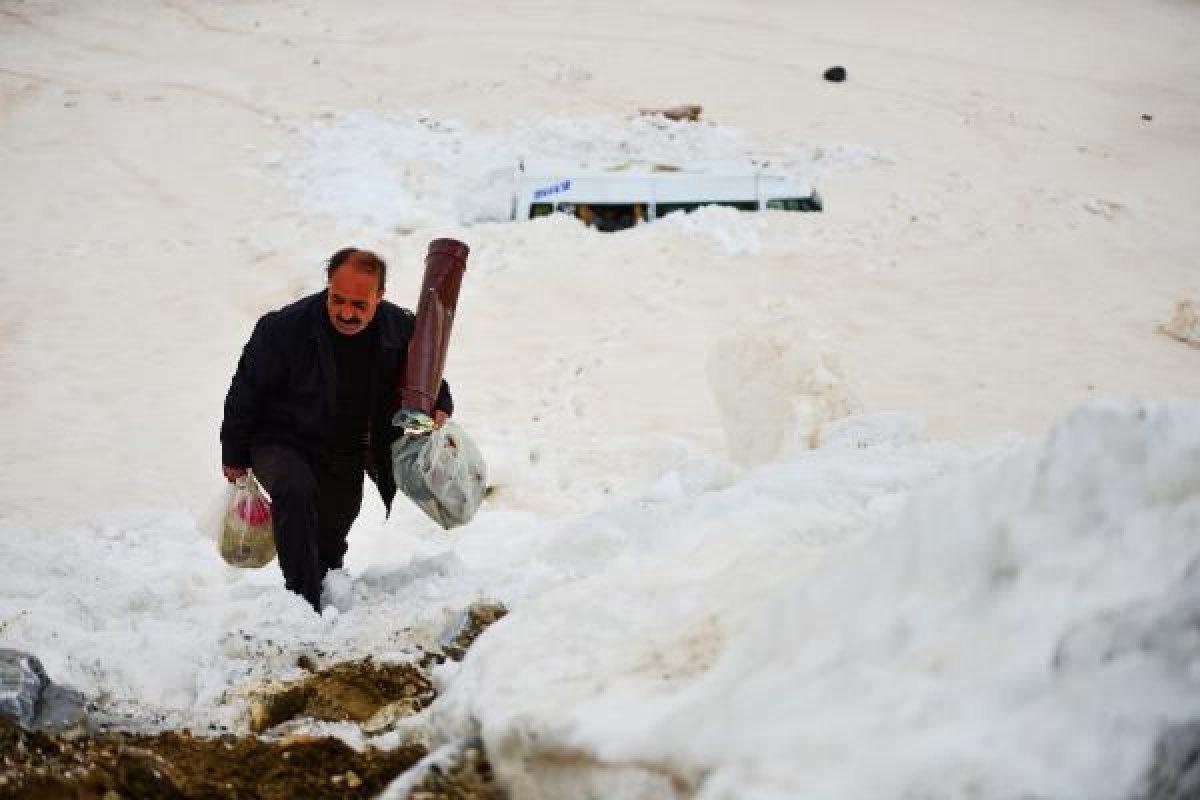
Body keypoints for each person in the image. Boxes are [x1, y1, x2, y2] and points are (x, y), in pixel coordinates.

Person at [220, 248, 452, 611]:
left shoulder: (399, 328)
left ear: (380, 296)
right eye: (337, 299)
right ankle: (302, 604)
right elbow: (245, 392)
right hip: (281, 440)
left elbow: (429, 378)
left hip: (346, 448)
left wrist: (440, 405)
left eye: (359, 305)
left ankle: (326, 594)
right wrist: (233, 454)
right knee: (294, 491)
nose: (346, 312)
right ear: (327, 286)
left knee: (331, 538)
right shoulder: (283, 329)